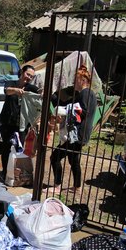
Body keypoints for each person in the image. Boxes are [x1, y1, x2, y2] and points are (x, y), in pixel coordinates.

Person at [47, 64, 97, 196]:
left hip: (76, 134)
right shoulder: (87, 93)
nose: (74, 83)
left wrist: (67, 111)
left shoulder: (85, 93)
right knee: (73, 160)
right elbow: (74, 106)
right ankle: (77, 187)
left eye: (76, 80)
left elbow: (82, 112)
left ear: (83, 80)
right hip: (80, 134)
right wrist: (55, 101)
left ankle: (57, 186)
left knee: (55, 157)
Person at [0, 64, 39, 181]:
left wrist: (43, 91)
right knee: (6, 147)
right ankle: (5, 172)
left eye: (31, 76)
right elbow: (7, 91)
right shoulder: (11, 83)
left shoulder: (30, 88)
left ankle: (17, 173)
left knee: (20, 149)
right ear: (22, 72)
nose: (29, 78)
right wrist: (16, 90)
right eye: (27, 74)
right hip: (6, 122)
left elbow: (39, 92)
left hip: (21, 125)